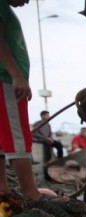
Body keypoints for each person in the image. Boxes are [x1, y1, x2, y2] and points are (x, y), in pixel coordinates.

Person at [0, 0, 42, 203]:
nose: (27, 1)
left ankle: (2, 187)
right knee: (18, 138)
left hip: (5, 79)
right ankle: (31, 193)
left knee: (2, 139)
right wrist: (16, 75)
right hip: (6, 80)